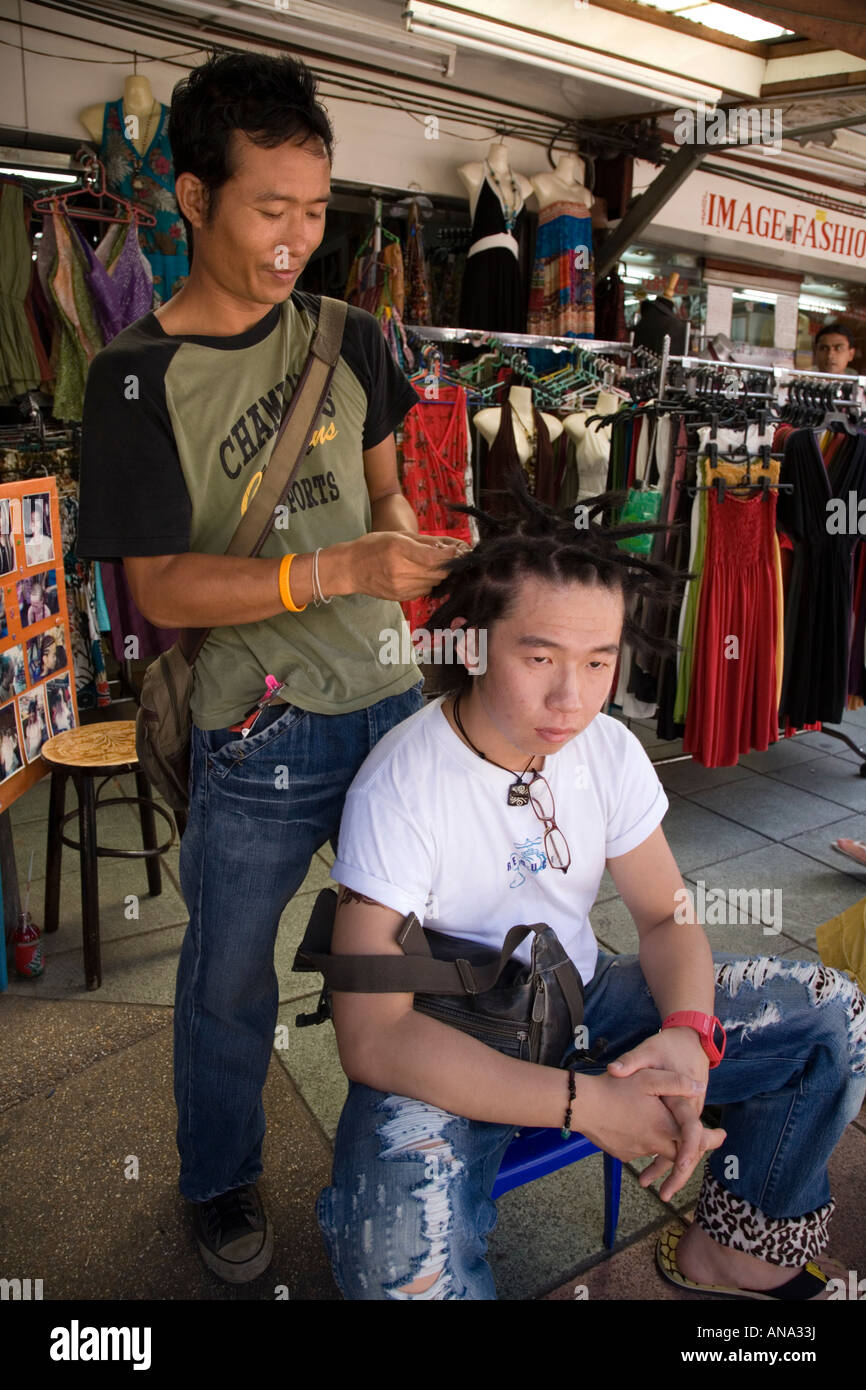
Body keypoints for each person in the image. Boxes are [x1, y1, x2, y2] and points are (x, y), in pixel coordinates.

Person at [75, 50, 466, 1285]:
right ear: (193, 200)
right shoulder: (132, 376)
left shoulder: (352, 336)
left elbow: (386, 489)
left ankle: (421, 1147)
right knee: (228, 983)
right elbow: (157, 589)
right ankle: (218, 1180)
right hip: (258, 732)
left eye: (315, 208)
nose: (297, 238)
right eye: (268, 208)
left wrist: (406, 547)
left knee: (419, 955)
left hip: (393, 710)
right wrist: (332, 572)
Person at [316, 481, 866, 1301]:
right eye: (538, 658)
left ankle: (740, 1256)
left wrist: (686, 1029)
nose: (571, 698)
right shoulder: (400, 786)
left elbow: (664, 914)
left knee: (831, 1013)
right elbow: (373, 1039)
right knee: (399, 1270)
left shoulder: (607, 749)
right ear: (473, 644)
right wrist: (586, 1105)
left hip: (582, 998)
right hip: (446, 1041)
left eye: (599, 661)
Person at [24, 500, 54, 566]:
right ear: (29, 524)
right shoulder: (27, 547)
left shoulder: (48, 542)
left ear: (41, 523)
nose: (35, 524)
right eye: (32, 520)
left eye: (37, 520)